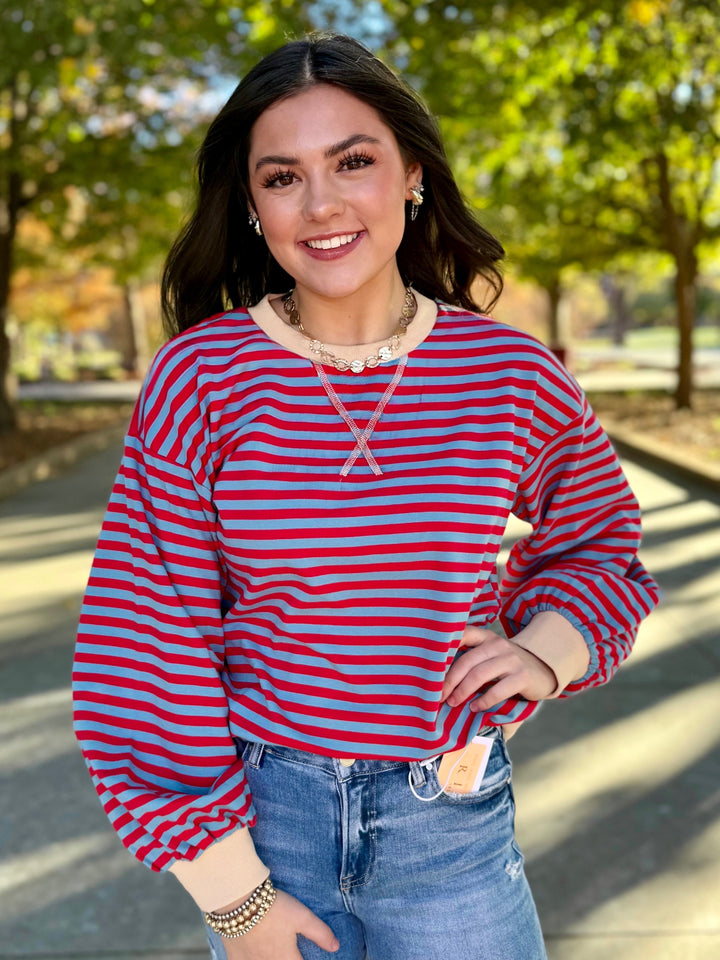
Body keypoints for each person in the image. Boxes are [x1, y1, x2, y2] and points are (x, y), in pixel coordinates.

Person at [72, 33, 660, 960]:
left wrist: (547, 650)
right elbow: (148, 638)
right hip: (273, 829)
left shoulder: (509, 372)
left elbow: (600, 538)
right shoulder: (201, 379)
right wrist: (236, 900)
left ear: (412, 174)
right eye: (281, 177)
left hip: (451, 828)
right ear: (253, 205)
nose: (322, 203)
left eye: (354, 161)